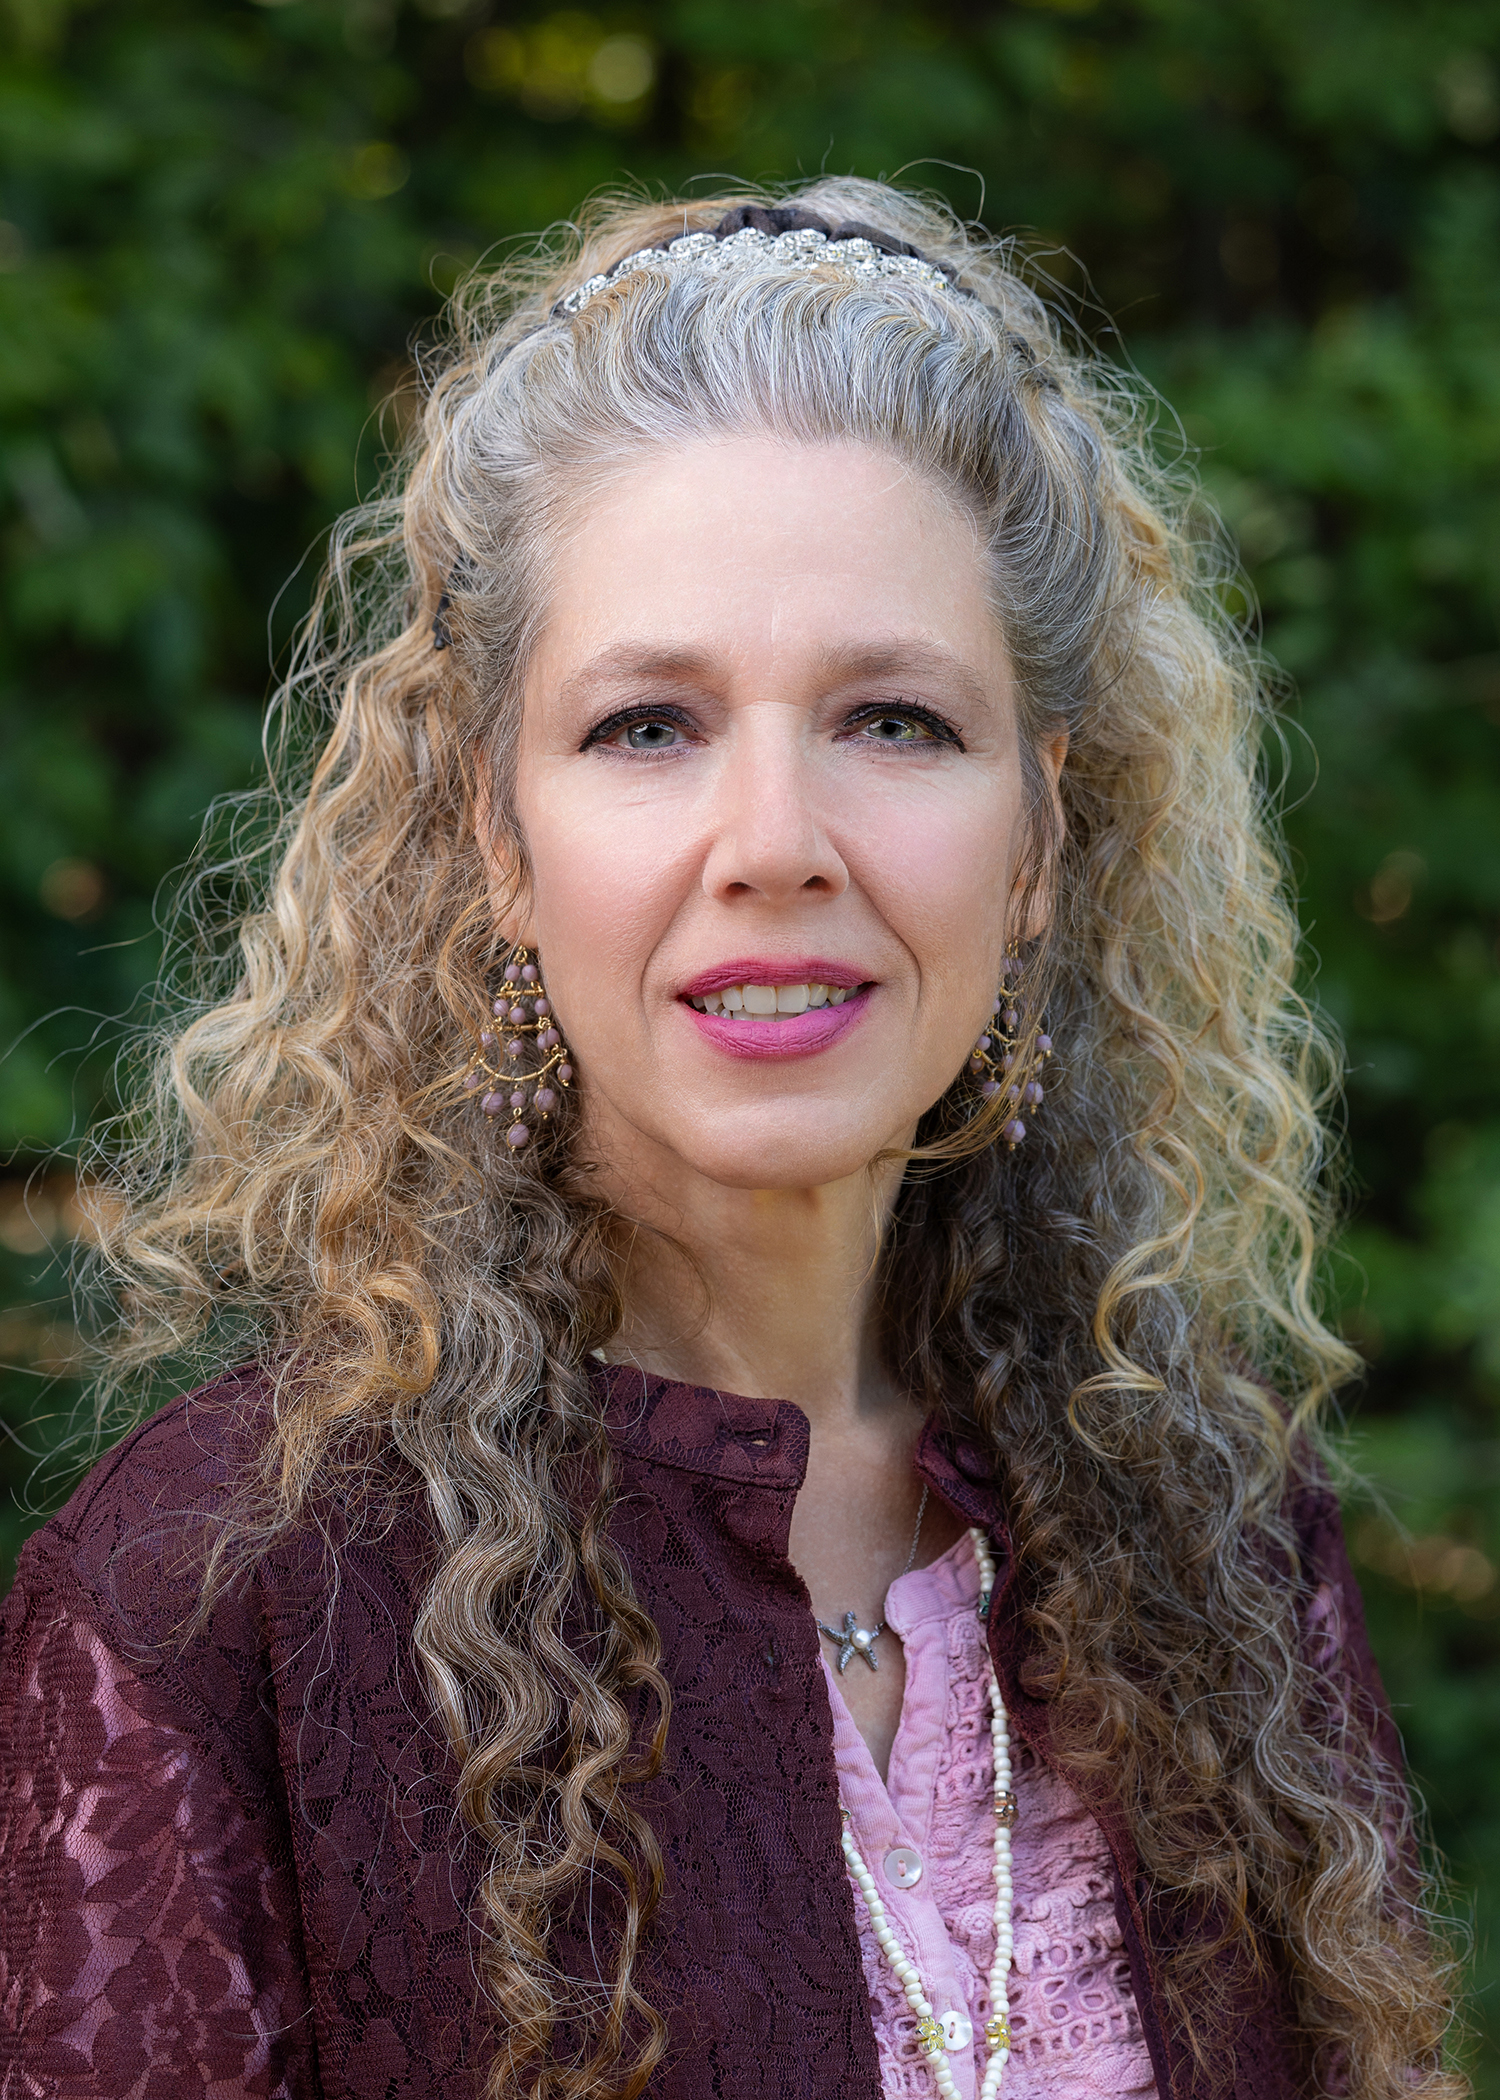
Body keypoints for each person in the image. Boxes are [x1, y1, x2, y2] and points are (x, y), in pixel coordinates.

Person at [0, 179, 1462, 2100]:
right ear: (498, 840)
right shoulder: (213, 1611)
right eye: (647, 728)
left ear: (1039, 836)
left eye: (893, 720)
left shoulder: (1220, 1537)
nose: (775, 841)